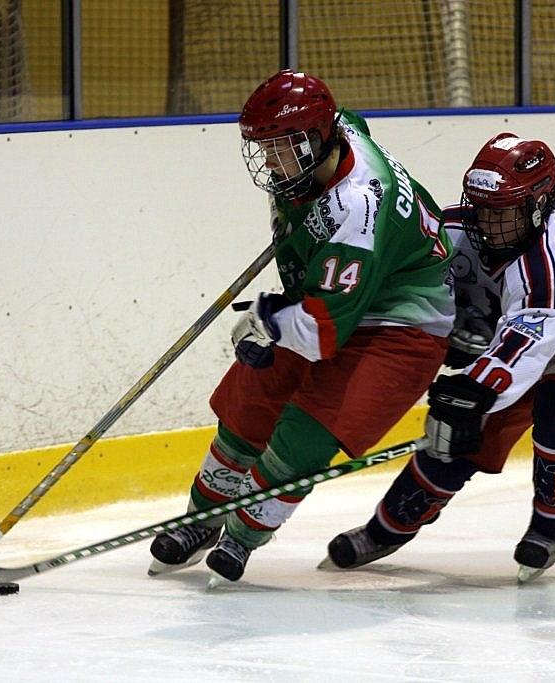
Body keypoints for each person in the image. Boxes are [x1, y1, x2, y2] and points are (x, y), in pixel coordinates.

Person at [321, 132, 555, 582]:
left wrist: (474, 388)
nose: (487, 222)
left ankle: (549, 529)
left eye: (502, 211)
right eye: (481, 207)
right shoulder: (455, 230)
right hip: (528, 346)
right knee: (456, 432)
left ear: (540, 205)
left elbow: (529, 341)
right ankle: (385, 530)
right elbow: (397, 280)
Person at [147, 70, 455, 584]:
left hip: (400, 328)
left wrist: (264, 317)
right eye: (263, 146)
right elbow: (354, 123)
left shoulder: (356, 209)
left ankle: (243, 536)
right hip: (337, 295)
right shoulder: (334, 137)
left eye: (282, 146)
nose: (269, 160)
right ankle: (201, 520)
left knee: (306, 432)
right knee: (251, 401)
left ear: (317, 139)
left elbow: (321, 335)